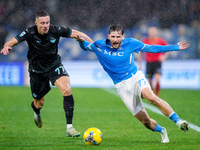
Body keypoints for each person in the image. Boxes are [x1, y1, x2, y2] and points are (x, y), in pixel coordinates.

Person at [76, 24, 189, 143]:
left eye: (118, 37)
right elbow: (86, 47)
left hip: (135, 77)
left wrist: (174, 47)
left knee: (151, 98)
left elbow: (151, 48)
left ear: (123, 37)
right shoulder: (99, 45)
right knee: (145, 122)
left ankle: (178, 121)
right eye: (113, 36)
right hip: (121, 86)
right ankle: (162, 131)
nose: (115, 39)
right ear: (108, 36)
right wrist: (80, 42)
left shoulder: (131, 43)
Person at [0, 10, 93, 137]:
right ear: (36, 23)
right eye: (42, 23)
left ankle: (69, 128)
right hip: (36, 71)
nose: (45, 25)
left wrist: (95, 47)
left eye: (47, 22)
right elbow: (10, 42)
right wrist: (7, 46)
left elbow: (79, 33)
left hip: (54, 65)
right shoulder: (29, 32)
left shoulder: (56, 30)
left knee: (66, 89)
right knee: (39, 103)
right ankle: (36, 111)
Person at [138, 26, 169, 96]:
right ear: (148, 33)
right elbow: (140, 52)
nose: (152, 33)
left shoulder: (160, 41)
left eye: (153, 32)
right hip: (148, 63)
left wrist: (164, 57)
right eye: (151, 32)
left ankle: (157, 94)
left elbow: (167, 48)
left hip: (157, 63)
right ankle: (152, 93)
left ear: (156, 32)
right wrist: (140, 63)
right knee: (150, 80)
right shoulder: (145, 41)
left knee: (157, 79)